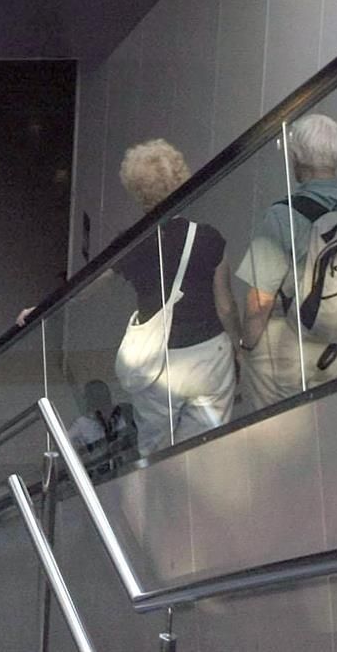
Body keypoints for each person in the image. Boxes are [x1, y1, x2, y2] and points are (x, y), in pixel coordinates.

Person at [237, 113, 337, 410]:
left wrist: (245, 348)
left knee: (274, 430)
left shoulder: (281, 216)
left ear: (297, 159)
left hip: (288, 346)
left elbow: (259, 302)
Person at [110, 140, 237, 451]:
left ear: (136, 190)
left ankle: (160, 498)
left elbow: (87, 287)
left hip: (159, 367)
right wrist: (240, 346)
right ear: (181, 181)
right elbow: (225, 307)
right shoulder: (208, 238)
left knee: (156, 450)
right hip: (210, 357)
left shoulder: (131, 244)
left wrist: (37, 310)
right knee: (206, 449)